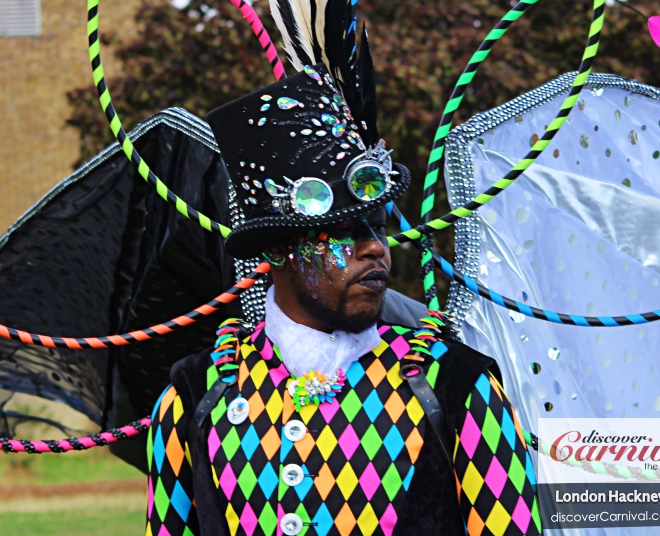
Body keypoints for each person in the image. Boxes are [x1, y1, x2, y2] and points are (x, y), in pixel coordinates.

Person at [144, 61, 540, 536]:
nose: (376, 246)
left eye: (378, 225)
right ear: (279, 249)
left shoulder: (454, 383)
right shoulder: (195, 395)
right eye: (344, 231)